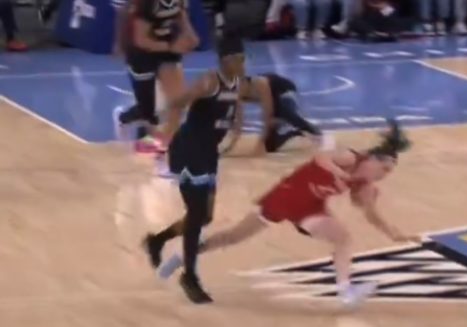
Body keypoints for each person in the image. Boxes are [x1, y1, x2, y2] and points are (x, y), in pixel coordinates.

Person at [157, 119, 420, 306]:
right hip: (287, 195)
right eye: (385, 170)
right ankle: (182, 256)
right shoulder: (351, 158)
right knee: (233, 237)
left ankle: (345, 290)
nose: (384, 176)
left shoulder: (365, 186)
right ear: (373, 160)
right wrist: (340, 174)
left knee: (343, 238)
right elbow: (320, 158)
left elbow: (370, 213)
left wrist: (395, 233)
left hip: (310, 209)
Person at [143, 36, 255, 304]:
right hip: (189, 149)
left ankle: (157, 240)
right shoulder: (209, 81)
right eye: (238, 59)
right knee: (196, 213)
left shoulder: (238, 83)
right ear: (225, 60)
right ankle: (190, 276)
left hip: (208, 153)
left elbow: (236, 108)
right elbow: (179, 103)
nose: (242, 63)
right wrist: (162, 130)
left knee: (205, 216)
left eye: (243, 58)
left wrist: (235, 135)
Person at [112, 0, 199, 153]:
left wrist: (190, 36)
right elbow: (141, 39)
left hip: (166, 49)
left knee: (178, 101)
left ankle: (169, 143)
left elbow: (180, 15)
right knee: (147, 111)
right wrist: (119, 43)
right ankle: (124, 117)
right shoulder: (147, 3)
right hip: (141, 52)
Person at [239, 73, 322, 154]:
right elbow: (239, 117)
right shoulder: (242, 95)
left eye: (240, 86)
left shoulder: (259, 82)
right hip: (274, 100)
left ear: (245, 82)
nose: (239, 90)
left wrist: (261, 141)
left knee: (287, 113)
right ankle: (293, 131)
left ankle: (313, 130)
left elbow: (268, 111)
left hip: (285, 90)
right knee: (270, 147)